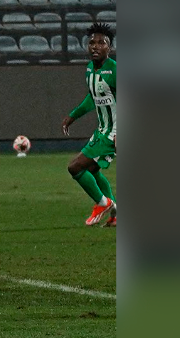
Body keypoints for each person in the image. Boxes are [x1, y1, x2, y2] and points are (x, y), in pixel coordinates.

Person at [62, 23, 117, 227]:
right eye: (92, 42)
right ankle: (116, 214)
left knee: (75, 167)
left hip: (114, 132)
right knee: (92, 170)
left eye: (101, 43)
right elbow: (93, 97)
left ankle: (102, 203)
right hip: (102, 130)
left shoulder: (115, 70)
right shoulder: (90, 69)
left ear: (108, 48)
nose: (95, 46)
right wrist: (73, 116)